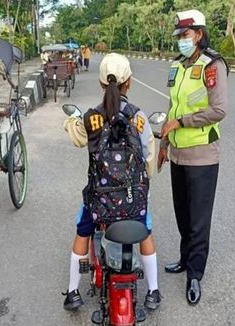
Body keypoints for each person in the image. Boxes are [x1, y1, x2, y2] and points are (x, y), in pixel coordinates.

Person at [62, 53, 162, 311]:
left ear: (100, 84)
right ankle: (153, 291)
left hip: (100, 200)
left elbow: (77, 139)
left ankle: (73, 291)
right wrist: (142, 189)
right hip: (132, 200)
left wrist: (71, 121)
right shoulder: (138, 117)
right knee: (146, 230)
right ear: (129, 82)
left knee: (82, 230)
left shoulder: (91, 117)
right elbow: (148, 157)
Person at [157, 9, 228, 305]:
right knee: (182, 213)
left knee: (199, 220)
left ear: (198, 34)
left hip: (202, 156)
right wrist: (164, 143)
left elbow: (218, 110)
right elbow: (173, 107)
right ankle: (186, 259)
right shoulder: (177, 66)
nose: (181, 41)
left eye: (185, 36)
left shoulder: (212, 65)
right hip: (178, 154)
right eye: (179, 37)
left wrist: (181, 122)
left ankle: (195, 275)